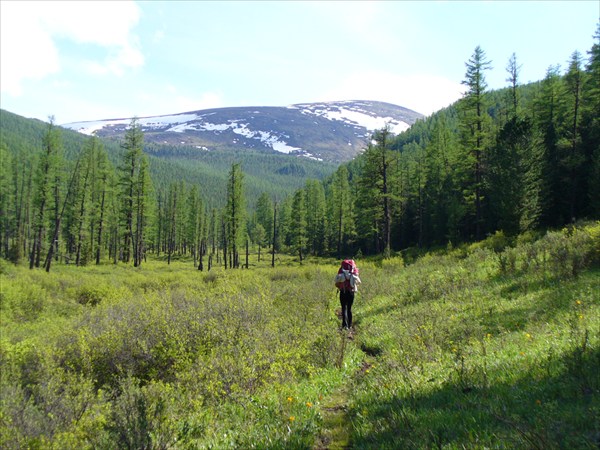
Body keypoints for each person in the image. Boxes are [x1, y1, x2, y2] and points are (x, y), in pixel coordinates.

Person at [334, 259, 361, 330]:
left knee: (343, 308)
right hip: (351, 292)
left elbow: (337, 283)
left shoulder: (341, 270)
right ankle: (349, 325)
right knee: (349, 308)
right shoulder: (353, 271)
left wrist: (340, 287)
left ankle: (344, 325)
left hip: (343, 291)